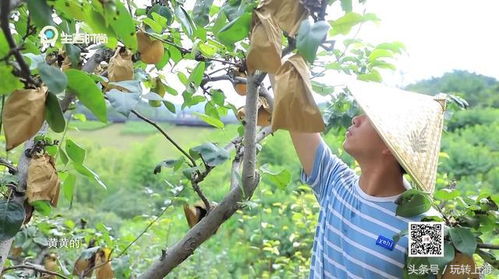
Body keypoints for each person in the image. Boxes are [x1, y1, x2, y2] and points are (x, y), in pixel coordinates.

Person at [289, 81, 447, 278]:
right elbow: (295, 112)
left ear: (390, 144)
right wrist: (279, 66)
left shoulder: (425, 226)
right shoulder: (335, 182)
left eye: (370, 118)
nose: (356, 119)